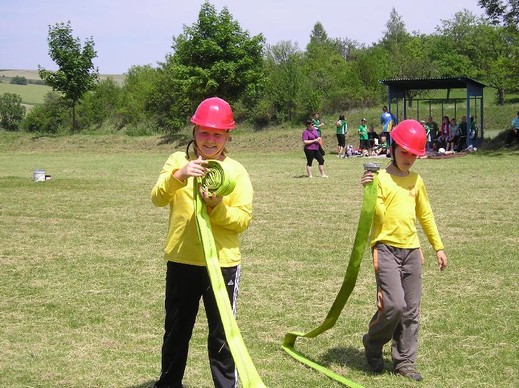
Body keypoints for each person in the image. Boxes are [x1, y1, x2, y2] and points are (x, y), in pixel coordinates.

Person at [151, 97, 253, 388]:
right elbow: (157, 198)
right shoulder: (177, 161)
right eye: (204, 132)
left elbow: (242, 220)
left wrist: (217, 207)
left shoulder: (236, 171)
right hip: (182, 260)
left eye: (217, 134)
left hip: (222, 264)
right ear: (194, 132)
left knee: (222, 336)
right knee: (176, 330)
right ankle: (168, 384)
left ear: (227, 136)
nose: (210, 140)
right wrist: (178, 177)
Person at [360, 119, 448, 382]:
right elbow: (376, 216)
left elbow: (426, 214)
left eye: (414, 154)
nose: (409, 158)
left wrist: (438, 247)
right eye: (404, 151)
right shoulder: (381, 178)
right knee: (394, 305)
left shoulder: (416, 180)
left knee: (411, 310)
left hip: (412, 251)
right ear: (393, 147)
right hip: (385, 249)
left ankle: (405, 362)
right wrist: (369, 189)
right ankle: (373, 343)